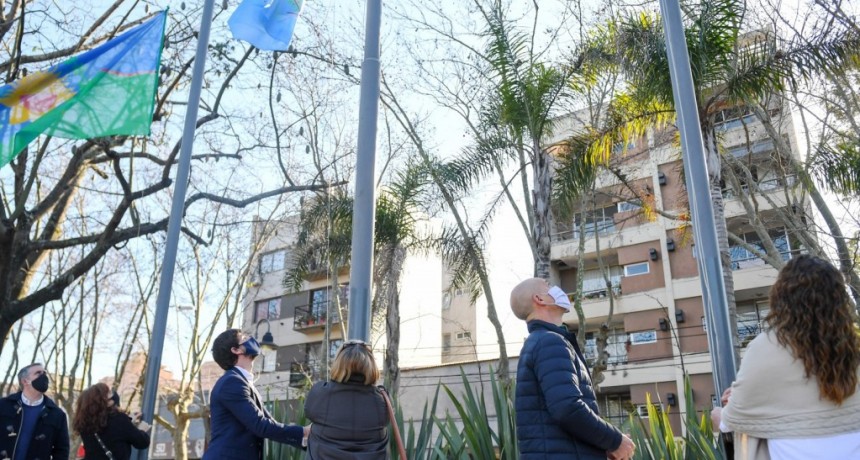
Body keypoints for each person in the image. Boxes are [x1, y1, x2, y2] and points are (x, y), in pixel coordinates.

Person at [711, 255, 860, 459]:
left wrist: (721, 413)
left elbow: (731, 421)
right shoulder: (854, 345)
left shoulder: (766, 347)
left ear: (781, 297)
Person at [511, 278, 635, 460]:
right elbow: (567, 408)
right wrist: (615, 440)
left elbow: (559, 421)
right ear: (540, 299)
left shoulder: (540, 342)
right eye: (549, 286)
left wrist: (601, 447)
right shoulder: (550, 342)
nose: (556, 289)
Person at [203, 329, 307, 460]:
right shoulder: (231, 382)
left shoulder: (241, 381)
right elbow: (260, 425)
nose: (251, 339)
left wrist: (308, 441)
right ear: (236, 350)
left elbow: (270, 423)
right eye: (244, 338)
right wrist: (304, 432)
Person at [304, 340, 389, 459]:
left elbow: (308, 412)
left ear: (338, 364)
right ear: (371, 366)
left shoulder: (319, 394)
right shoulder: (382, 401)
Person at [0, 363, 70, 460]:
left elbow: (62, 450)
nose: (44, 376)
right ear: (25, 381)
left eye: (44, 373)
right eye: (38, 373)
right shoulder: (3, 405)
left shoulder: (57, 414)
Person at [73, 383, 150, 460]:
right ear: (104, 400)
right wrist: (142, 430)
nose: (113, 395)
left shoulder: (84, 424)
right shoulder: (119, 419)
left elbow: (109, 433)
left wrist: (129, 420)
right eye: (109, 393)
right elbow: (141, 442)